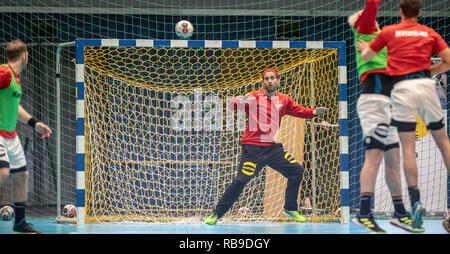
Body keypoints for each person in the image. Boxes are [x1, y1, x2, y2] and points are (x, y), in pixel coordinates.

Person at [358, 0, 450, 233]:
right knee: (378, 156)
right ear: (419, 12)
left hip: (395, 97)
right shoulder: (427, 32)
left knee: (400, 154)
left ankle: (407, 206)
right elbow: (447, 60)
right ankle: (370, 212)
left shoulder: (388, 35)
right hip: (396, 95)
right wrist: (429, 70)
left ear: (400, 11)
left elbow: (378, 58)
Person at [204, 68, 329, 225]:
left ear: (277, 81)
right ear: (263, 82)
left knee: (297, 170)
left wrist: (314, 112)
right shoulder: (254, 96)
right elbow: (232, 106)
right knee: (240, 181)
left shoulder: (284, 100)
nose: (270, 81)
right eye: (266, 79)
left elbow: (301, 111)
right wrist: (238, 100)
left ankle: (290, 208)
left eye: (272, 78)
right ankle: (216, 213)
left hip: (272, 149)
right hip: (253, 149)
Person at [349, 0, 417, 234]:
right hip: (373, 103)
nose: (376, 21)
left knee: (393, 159)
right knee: (374, 156)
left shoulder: (379, 46)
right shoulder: (365, 30)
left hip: (388, 105)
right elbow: (371, 5)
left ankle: (399, 211)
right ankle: (363, 212)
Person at [0, 39, 52, 234]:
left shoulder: (15, 79)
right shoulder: (4, 73)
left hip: (10, 135)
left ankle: (20, 224)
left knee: (22, 175)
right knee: (3, 174)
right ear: (24, 55)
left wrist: (34, 123)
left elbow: (16, 108)